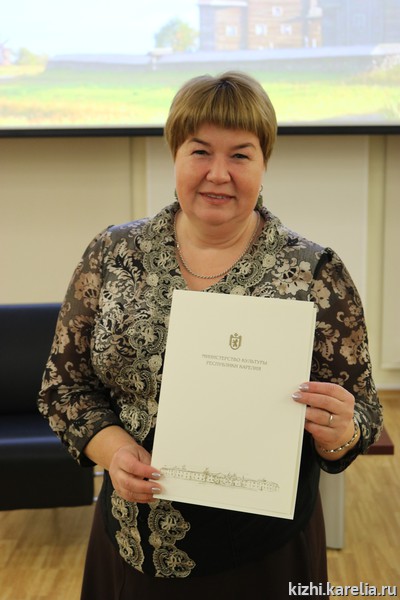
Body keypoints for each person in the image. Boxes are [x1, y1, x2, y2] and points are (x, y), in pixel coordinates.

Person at [38, 71, 383, 600]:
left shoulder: (315, 273)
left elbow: (364, 411)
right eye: (200, 151)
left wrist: (341, 431)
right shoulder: (113, 253)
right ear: (174, 154)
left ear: (264, 163)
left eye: (240, 155)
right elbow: (64, 386)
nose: (218, 174)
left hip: (263, 555)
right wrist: (113, 451)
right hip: (130, 544)